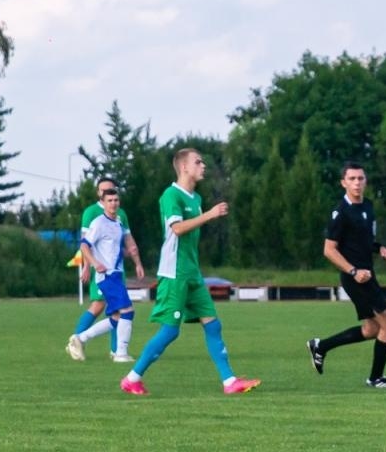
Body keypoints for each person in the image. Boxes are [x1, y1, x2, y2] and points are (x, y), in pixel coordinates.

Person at [120, 149, 259, 396]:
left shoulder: (194, 198)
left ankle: (229, 382)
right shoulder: (171, 195)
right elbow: (177, 229)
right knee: (170, 331)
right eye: (198, 162)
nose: (203, 165)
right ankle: (132, 378)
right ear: (183, 167)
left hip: (192, 273)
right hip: (174, 274)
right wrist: (210, 215)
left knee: (213, 325)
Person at [305, 162, 386, 388]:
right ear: (343, 182)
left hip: (368, 275)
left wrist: (379, 248)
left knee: (372, 329)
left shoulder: (367, 206)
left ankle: (321, 346)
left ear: (365, 181)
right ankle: (376, 377)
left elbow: (363, 240)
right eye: (352, 179)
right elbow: (329, 250)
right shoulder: (341, 213)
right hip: (355, 278)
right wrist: (353, 271)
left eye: (360, 178)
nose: (357, 183)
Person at [67, 189, 145, 363]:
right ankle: (121, 353)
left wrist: (135, 261)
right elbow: (85, 245)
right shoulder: (99, 223)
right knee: (128, 311)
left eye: (116, 200)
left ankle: (80, 338)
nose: (113, 203)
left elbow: (119, 247)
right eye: (109, 200)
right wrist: (94, 263)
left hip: (116, 274)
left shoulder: (117, 223)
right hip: (107, 276)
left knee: (117, 317)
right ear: (103, 202)